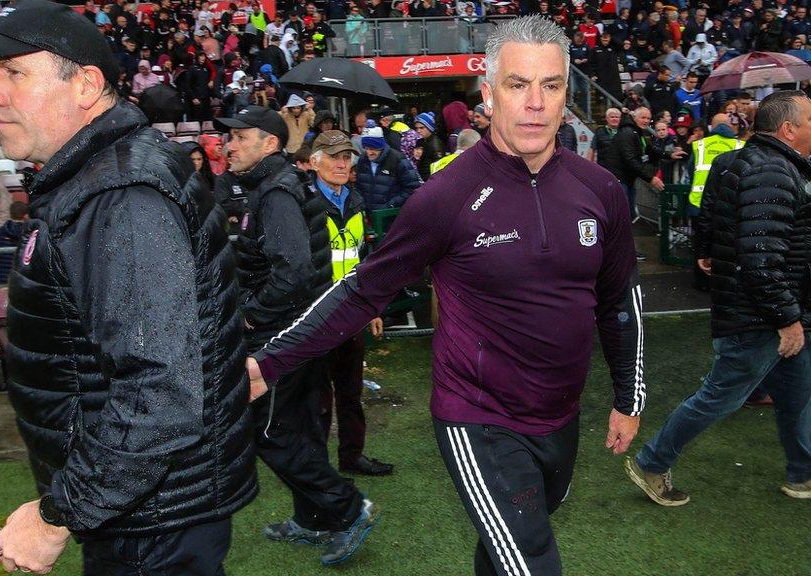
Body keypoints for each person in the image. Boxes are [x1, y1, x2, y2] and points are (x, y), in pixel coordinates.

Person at [248, 15, 645, 576]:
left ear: (564, 95)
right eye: (517, 84)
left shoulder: (598, 189)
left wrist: (629, 396)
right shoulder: (447, 195)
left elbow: (618, 299)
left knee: (507, 545)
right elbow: (364, 291)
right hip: (476, 416)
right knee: (530, 561)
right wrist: (269, 363)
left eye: (550, 85)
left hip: (559, 416)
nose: (535, 103)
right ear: (489, 94)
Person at [0, 1, 257, 573]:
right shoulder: (106, 177)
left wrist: (59, 513)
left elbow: (159, 395)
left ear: (84, 86)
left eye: (13, 72)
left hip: (150, 520)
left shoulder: (121, 194)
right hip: (146, 509)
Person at [626, 90, 811, 505]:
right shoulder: (774, 171)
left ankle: (803, 473)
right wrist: (787, 317)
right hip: (758, 313)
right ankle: (652, 462)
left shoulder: (741, 162)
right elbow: (762, 255)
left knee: (798, 392)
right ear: (788, 129)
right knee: (720, 395)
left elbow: (710, 212)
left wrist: (706, 250)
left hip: (759, 304)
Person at [215, 105, 378, 567]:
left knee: (268, 432)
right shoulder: (272, 187)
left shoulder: (276, 195)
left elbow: (293, 272)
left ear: (269, 143)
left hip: (276, 335)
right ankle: (313, 517)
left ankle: (348, 509)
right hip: (299, 332)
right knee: (300, 426)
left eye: (240, 137)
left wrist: (250, 316)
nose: (230, 145)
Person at [306, 130, 392, 477]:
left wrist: (371, 307)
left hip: (350, 312)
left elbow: (364, 259)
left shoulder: (355, 199)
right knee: (318, 400)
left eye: (346, 157)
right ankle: (316, 466)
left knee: (351, 392)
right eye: (334, 157)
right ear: (315, 162)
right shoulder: (304, 204)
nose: (342, 163)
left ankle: (351, 457)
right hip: (315, 316)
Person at [605, 106, 664, 259]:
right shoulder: (628, 133)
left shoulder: (637, 134)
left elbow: (652, 151)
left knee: (628, 216)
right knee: (622, 217)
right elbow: (630, 160)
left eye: (648, 118)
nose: (646, 120)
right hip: (619, 181)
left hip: (627, 181)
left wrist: (670, 154)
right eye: (643, 117)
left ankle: (623, 250)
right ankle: (621, 252)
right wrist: (650, 178)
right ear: (634, 118)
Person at [355, 123, 422, 211]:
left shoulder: (397, 159)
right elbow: (359, 187)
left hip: (391, 215)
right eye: (366, 148)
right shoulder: (363, 160)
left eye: (373, 149)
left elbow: (413, 187)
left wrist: (391, 205)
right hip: (370, 216)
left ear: (381, 146)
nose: (369, 152)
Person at [0, 200, 28, 286]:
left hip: (3, 276)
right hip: (21, 278)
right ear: (25, 216)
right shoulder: (27, 232)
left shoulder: (2, 230)